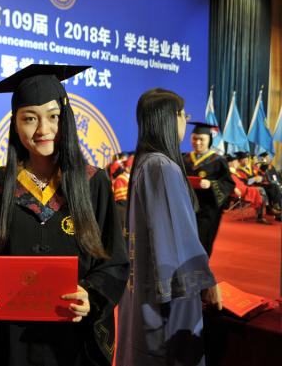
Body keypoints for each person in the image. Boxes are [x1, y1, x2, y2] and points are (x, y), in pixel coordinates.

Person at [0, 65, 129, 366]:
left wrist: (91, 295)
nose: (43, 129)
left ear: (65, 119)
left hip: (73, 337)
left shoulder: (92, 183)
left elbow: (114, 261)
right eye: (29, 118)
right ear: (15, 124)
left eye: (53, 116)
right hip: (12, 339)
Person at [117, 88, 222, 366]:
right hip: (165, 295)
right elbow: (175, 239)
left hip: (142, 287)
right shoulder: (162, 166)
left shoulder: (146, 161)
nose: (185, 122)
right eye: (183, 115)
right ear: (169, 118)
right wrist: (205, 281)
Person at [182, 122, 235, 256]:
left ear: (209, 140)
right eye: (194, 139)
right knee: (184, 241)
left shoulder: (218, 160)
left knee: (203, 240)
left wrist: (211, 184)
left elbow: (228, 183)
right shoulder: (185, 159)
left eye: (201, 139)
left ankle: (201, 266)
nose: (197, 143)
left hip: (208, 209)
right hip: (187, 208)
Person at [226, 154, 273, 223]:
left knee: (269, 188)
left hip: (248, 187)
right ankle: (266, 210)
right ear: (239, 161)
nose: (246, 161)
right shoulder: (236, 171)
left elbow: (259, 175)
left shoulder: (251, 167)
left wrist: (259, 178)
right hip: (241, 190)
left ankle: (263, 214)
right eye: (244, 159)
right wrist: (254, 179)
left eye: (247, 159)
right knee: (261, 191)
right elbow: (242, 182)